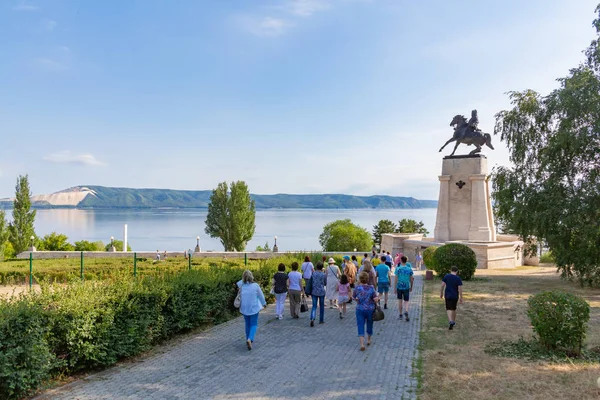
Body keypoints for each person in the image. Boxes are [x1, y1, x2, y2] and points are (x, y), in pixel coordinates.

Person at [237, 270, 267, 350]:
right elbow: (261, 296)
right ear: (252, 277)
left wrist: (244, 278)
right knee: (254, 324)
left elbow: (239, 282)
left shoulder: (241, 285)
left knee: (247, 324)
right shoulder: (255, 286)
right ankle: (250, 339)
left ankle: (247, 339)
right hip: (253, 308)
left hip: (244, 308)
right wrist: (264, 303)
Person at [352, 271, 379, 351]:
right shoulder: (371, 288)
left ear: (360, 279)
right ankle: (369, 339)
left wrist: (357, 299)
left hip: (360, 309)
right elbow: (375, 298)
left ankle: (362, 344)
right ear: (367, 279)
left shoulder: (357, 288)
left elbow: (353, 297)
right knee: (370, 324)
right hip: (370, 309)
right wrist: (377, 299)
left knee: (360, 325)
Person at [394, 256, 414, 321]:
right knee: (406, 301)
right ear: (406, 261)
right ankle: (406, 311)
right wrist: (411, 286)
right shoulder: (409, 269)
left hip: (399, 286)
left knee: (400, 301)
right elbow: (411, 279)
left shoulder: (398, 269)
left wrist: (395, 288)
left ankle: (400, 314)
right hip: (406, 286)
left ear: (401, 260)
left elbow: (396, 279)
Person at [310, 262, 327, 327]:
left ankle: (312, 318)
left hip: (314, 291)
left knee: (314, 306)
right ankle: (321, 320)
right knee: (321, 306)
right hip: (321, 291)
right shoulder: (323, 274)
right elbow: (325, 283)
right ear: (322, 267)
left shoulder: (313, 274)